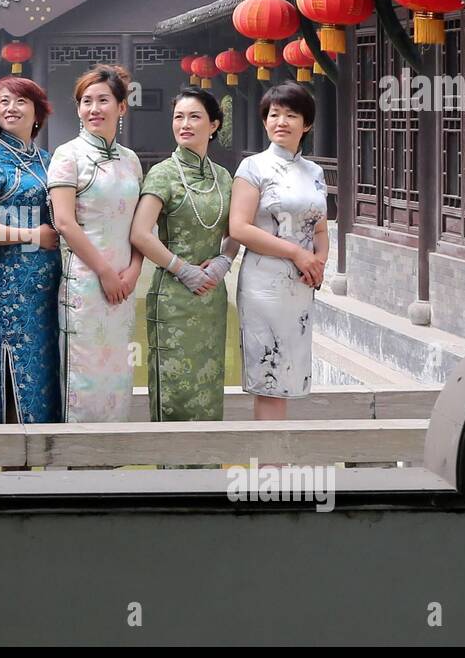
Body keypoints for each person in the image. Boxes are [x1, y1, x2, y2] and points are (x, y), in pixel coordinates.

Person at [131, 86, 238, 421]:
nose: (185, 124)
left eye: (195, 117)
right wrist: (183, 269)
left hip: (211, 297)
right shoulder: (163, 173)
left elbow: (237, 230)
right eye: (179, 117)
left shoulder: (223, 177)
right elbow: (139, 233)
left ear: (214, 125)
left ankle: (207, 472)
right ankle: (172, 472)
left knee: (208, 388)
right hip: (174, 296)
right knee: (175, 391)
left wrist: (224, 261)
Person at [48, 64, 144, 422]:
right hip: (87, 286)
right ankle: (79, 466)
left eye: (103, 100)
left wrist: (134, 270)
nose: (94, 109)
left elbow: (139, 225)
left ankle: (111, 465)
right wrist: (105, 272)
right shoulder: (67, 155)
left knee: (117, 374)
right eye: (86, 101)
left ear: (122, 107)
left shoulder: (131, 161)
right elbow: (64, 222)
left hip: (124, 284)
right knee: (84, 376)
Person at [0, 77, 61, 424]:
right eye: (3, 102)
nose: (10, 108)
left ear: (37, 112)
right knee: (19, 373)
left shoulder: (50, 160)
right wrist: (32, 235)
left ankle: (47, 468)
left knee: (52, 375)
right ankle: (14, 468)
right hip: (13, 289)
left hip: (54, 286)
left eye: (20, 101)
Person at [230, 82, 329, 419]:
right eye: (274, 115)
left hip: (301, 286)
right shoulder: (253, 168)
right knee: (269, 377)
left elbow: (320, 227)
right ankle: (269, 466)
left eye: (291, 115)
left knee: (289, 376)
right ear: (265, 121)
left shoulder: (315, 172)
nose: (281, 122)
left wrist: (319, 263)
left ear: (307, 124)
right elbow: (240, 228)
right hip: (265, 283)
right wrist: (296, 254)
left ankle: (274, 462)